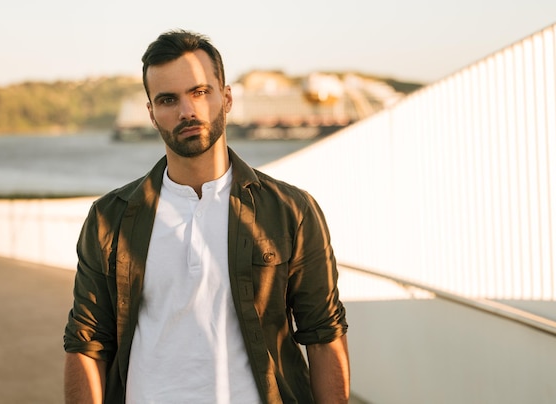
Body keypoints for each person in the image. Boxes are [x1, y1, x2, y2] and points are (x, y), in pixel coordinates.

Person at [63, 29, 349, 404]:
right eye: (168, 99)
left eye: (200, 92)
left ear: (225, 97)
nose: (187, 111)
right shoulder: (109, 218)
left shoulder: (290, 211)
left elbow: (323, 334)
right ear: (151, 113)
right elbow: (86, 343)